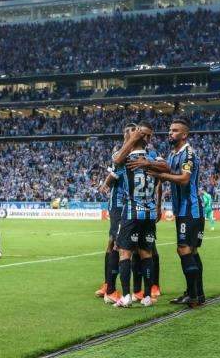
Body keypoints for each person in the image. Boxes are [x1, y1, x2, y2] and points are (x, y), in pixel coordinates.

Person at [149, 117, 205, 308]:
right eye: (170, 130)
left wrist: (160, 175)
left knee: (184, 249)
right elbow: (164, 176)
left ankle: (194, 295)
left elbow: (184, 179)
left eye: (174, 131)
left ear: (184, 134)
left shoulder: (188, 154)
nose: (170, 133)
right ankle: (197, 293)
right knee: (191, 251)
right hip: (182, 210)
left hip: (190, 208)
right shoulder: (173, 154)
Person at [112, 121, 167, 308]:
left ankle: (126, 296)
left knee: (124, 253)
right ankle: (147, 296)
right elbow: (166, 168)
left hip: (131, 212)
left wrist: (133, 138)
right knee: (146, 253)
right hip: (149, 213)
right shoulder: (154, 159)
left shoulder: (126, 158)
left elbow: (116, 160)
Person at [96, 123, 135, 304]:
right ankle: (110, 288)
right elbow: (113, 176)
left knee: (119, 244)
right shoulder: (120, 154)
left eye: (133, 133)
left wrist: (106, 182)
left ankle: (109, 285)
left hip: (130, 206)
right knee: (116, 245)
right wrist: (106, 182)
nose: (130, 136)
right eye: (127, 133)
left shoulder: (137, 154)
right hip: (119, 206)